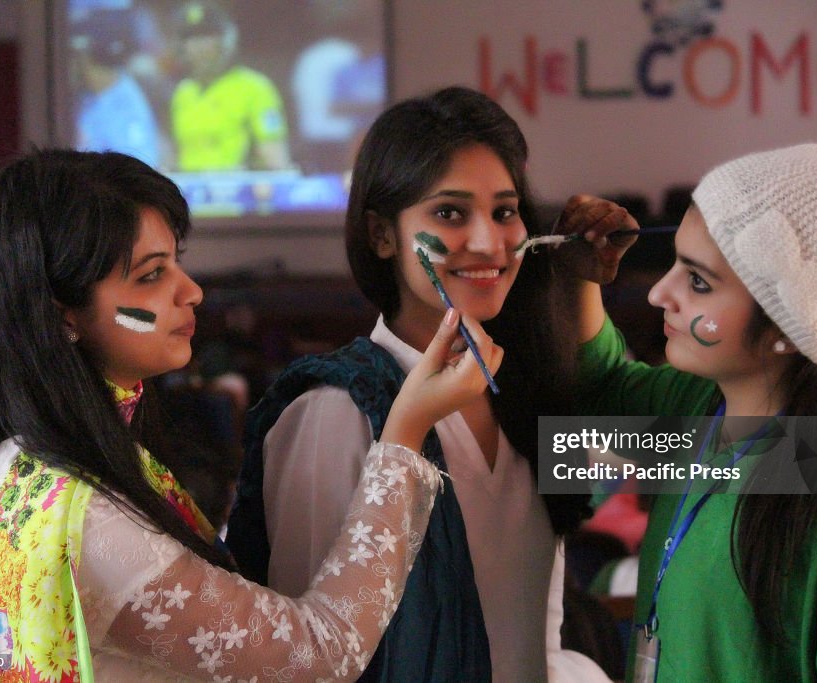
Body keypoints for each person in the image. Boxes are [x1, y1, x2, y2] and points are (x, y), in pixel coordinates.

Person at [0, 149, 504, 681]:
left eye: (507, 212)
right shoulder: (332, 406)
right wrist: (404, 435)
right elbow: (322, 652)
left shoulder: (22, 461)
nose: (192, 291)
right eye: (151, 276)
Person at [227, 86, 636, 682]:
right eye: (449, 212)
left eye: (504, 211)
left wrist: (811, 440)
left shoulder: (523, 393)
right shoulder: (335, 410)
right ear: (382, 234)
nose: (487, 242)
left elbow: (688, 461)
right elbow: (302, 661)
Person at [572, 143, 817, 681]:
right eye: (675, 265)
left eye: (698, 282)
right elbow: (603, 387)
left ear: (787, 326)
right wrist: (582, 275)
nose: (658, 294)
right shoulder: (700, 407)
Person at [170, 0, 292, 171]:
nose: (198, 47)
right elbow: (178, 154)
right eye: (191, 38)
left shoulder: (255, 88)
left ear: (226, 41)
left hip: (237, 193)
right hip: (189, 193)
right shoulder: (183, 93)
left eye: (206, 36)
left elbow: (275, 157)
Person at [71, 8, 162, 168]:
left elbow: (139, 171)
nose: (72, 63)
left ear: (88, 57)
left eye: (77, 56)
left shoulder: (126, 102)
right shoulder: (87, 97)